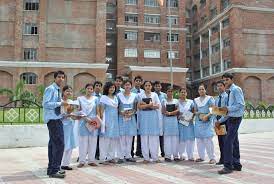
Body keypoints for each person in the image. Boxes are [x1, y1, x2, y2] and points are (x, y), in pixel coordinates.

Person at [218, 73, 245, 174]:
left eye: (227, 80)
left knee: (228, 142)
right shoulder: (230, 91)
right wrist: (220, 121)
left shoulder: (236, 90)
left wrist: (228, 108)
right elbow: (228, 111)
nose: (225, 82)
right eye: (224, 80)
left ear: (232, 80)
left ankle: (228, 166)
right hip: (231, 118)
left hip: (236, 118)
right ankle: (237, 165)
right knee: (234, 142)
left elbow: (241, 105)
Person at [43, 70, 67, 178]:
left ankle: (51, 169)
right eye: (59, 77)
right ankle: (55, 169)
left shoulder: (57, 90)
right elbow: (46, 104)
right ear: (55, 78)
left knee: (53, 144)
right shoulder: (50, 89)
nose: (61, 79)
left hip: (57, 119)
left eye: (63, 77)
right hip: (53, 120)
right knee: (59, 144)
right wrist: (60, 103)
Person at [77, 83, 100, 168]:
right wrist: (86, 118)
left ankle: (91, 160)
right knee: (83, 143)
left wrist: (98, 122)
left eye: (91, 89)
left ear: (93, 90)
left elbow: (97, 112)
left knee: (93, 142)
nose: (89, 90)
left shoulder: (96, 99)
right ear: (85, 89)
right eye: (88, 88)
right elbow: (79, 110)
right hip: (84, 122)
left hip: (93, 122)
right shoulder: (80, 99)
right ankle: (82, 161)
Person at [138, 81, 161, 163]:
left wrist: (149, 106)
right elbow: (139, 106)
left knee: (154, 139)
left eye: (149, 85)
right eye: (146, 85)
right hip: (144, 119)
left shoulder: (155, 95)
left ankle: (155, 157)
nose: (148, 87)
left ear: (151, 86)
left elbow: (158, 106)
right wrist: (149, 105)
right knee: (144, 139)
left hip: (153, 119)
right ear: (144, 86)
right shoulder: (140, 95)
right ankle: (146, 158)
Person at [193, 84, 216, 164]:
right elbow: (195, 110)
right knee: (199, 140)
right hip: (199, 121)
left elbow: (213, 109)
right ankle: (201, 157)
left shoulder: (209, 98)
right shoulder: (196, 100)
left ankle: (212, 158)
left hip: (207, 121)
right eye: (199, 89)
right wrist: (198, 114)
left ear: (205, 90)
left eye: (202, 89)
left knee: (208, 140)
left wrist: (207, 116)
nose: (201, 91)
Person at [99, 82, 120, 164]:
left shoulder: (115, 98)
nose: (112, 89)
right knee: (105, 140)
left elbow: (116, 109)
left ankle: (111, 157)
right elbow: (101, 110)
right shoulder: (103, 98)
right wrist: (102, 122)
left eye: (113, 88)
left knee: (113, 139)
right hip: (106, 120)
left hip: (114, 121)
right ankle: (103, 158)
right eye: (110, 87)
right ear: (107, 88)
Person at [117, 80, 138, 162]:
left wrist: (131, 113)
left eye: (129, 85)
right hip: (122, 118)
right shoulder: (119, 95)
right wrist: (121, 112)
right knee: (122, 138)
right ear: (123, 86)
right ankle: (121, 156)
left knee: (129, 138)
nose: (127, 86)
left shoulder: (134, 96)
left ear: (131, 86)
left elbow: (136, 108)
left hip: (131, 118)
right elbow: (117, 107)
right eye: (126, 85)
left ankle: (128, 155)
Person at [60, 85, 78, 170]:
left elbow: (72, 115)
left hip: (71, 125)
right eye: (67, 91)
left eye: (70, 91)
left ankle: (66, 164)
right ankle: (59, 163)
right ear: (63, 92)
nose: (69, 93)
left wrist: (78, 116)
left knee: (70, 144)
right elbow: (61, 115)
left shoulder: (71, 102)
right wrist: (69, 113)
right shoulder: (60, 101)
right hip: (62, 125)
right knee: (63, 144)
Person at [161, 86, 179, 162]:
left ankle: (175, 155)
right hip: (166, 121)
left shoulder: (176, 101)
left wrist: (170, 113)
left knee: (175, 138)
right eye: (168, 91)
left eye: (171, 91)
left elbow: (178, 110)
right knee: (167, 139)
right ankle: (167, 156)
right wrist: (166, 113)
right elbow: (162, 111)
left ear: (173, 92)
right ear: (166, 92)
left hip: (174, 121)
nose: (170, 93)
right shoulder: (163, 101)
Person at [177, 88, 195, 161]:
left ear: (186, 93)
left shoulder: (191, 102)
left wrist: (191, 118)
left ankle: (190, 156)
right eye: (182, 92)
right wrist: (180, 116)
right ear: (179, 93)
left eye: (184, 92)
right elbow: (176, 113)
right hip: (180, 123)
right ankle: (181, 155)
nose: (183, 93)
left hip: (189, 124)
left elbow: (194, 111)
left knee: (190, 139)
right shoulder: (176, 102)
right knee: (181, 139)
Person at [213, 80, 228, 165]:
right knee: (220, 141)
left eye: (220, 86)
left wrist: (219, 121)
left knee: (226, 142)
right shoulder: (217, 98)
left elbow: (226, 112)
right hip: (218, 123)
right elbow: (215, 111)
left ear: (224, 86)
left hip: (224, 122)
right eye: (217, 86)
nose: (219, 87)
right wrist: (215, 121)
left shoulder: (227, 97)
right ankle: (222, 159)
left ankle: (227, 159)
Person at [131, 75, 144, 158]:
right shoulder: (131, 91)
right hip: (133, 115)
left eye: (139, 81)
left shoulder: (143, 91)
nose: (138, 82)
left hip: (142, 114)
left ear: (141, 82)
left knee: (140, 133)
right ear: (134, 81)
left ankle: (139, 151)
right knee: (132, 133)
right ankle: (130, 151)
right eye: (137, 80)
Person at [154, 81, 167, 157]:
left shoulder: (164, 95)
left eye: (159, 86)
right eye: (156, 86)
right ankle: (153, 152)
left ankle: (163, 152)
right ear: (154, 87)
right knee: (154, 135)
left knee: (162, 135)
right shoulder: (152, 95)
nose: (157, 87)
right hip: (154, 117)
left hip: (162, 117)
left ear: (161, 87)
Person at [93, 81, 103, 160]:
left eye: (99, 86)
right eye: (96, 85)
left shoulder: (102, 97)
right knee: (92, 137)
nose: (98, 87)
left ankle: (98, 153)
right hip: (92, 119)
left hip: (101, 118)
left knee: (100, 136)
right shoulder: (91, 96)